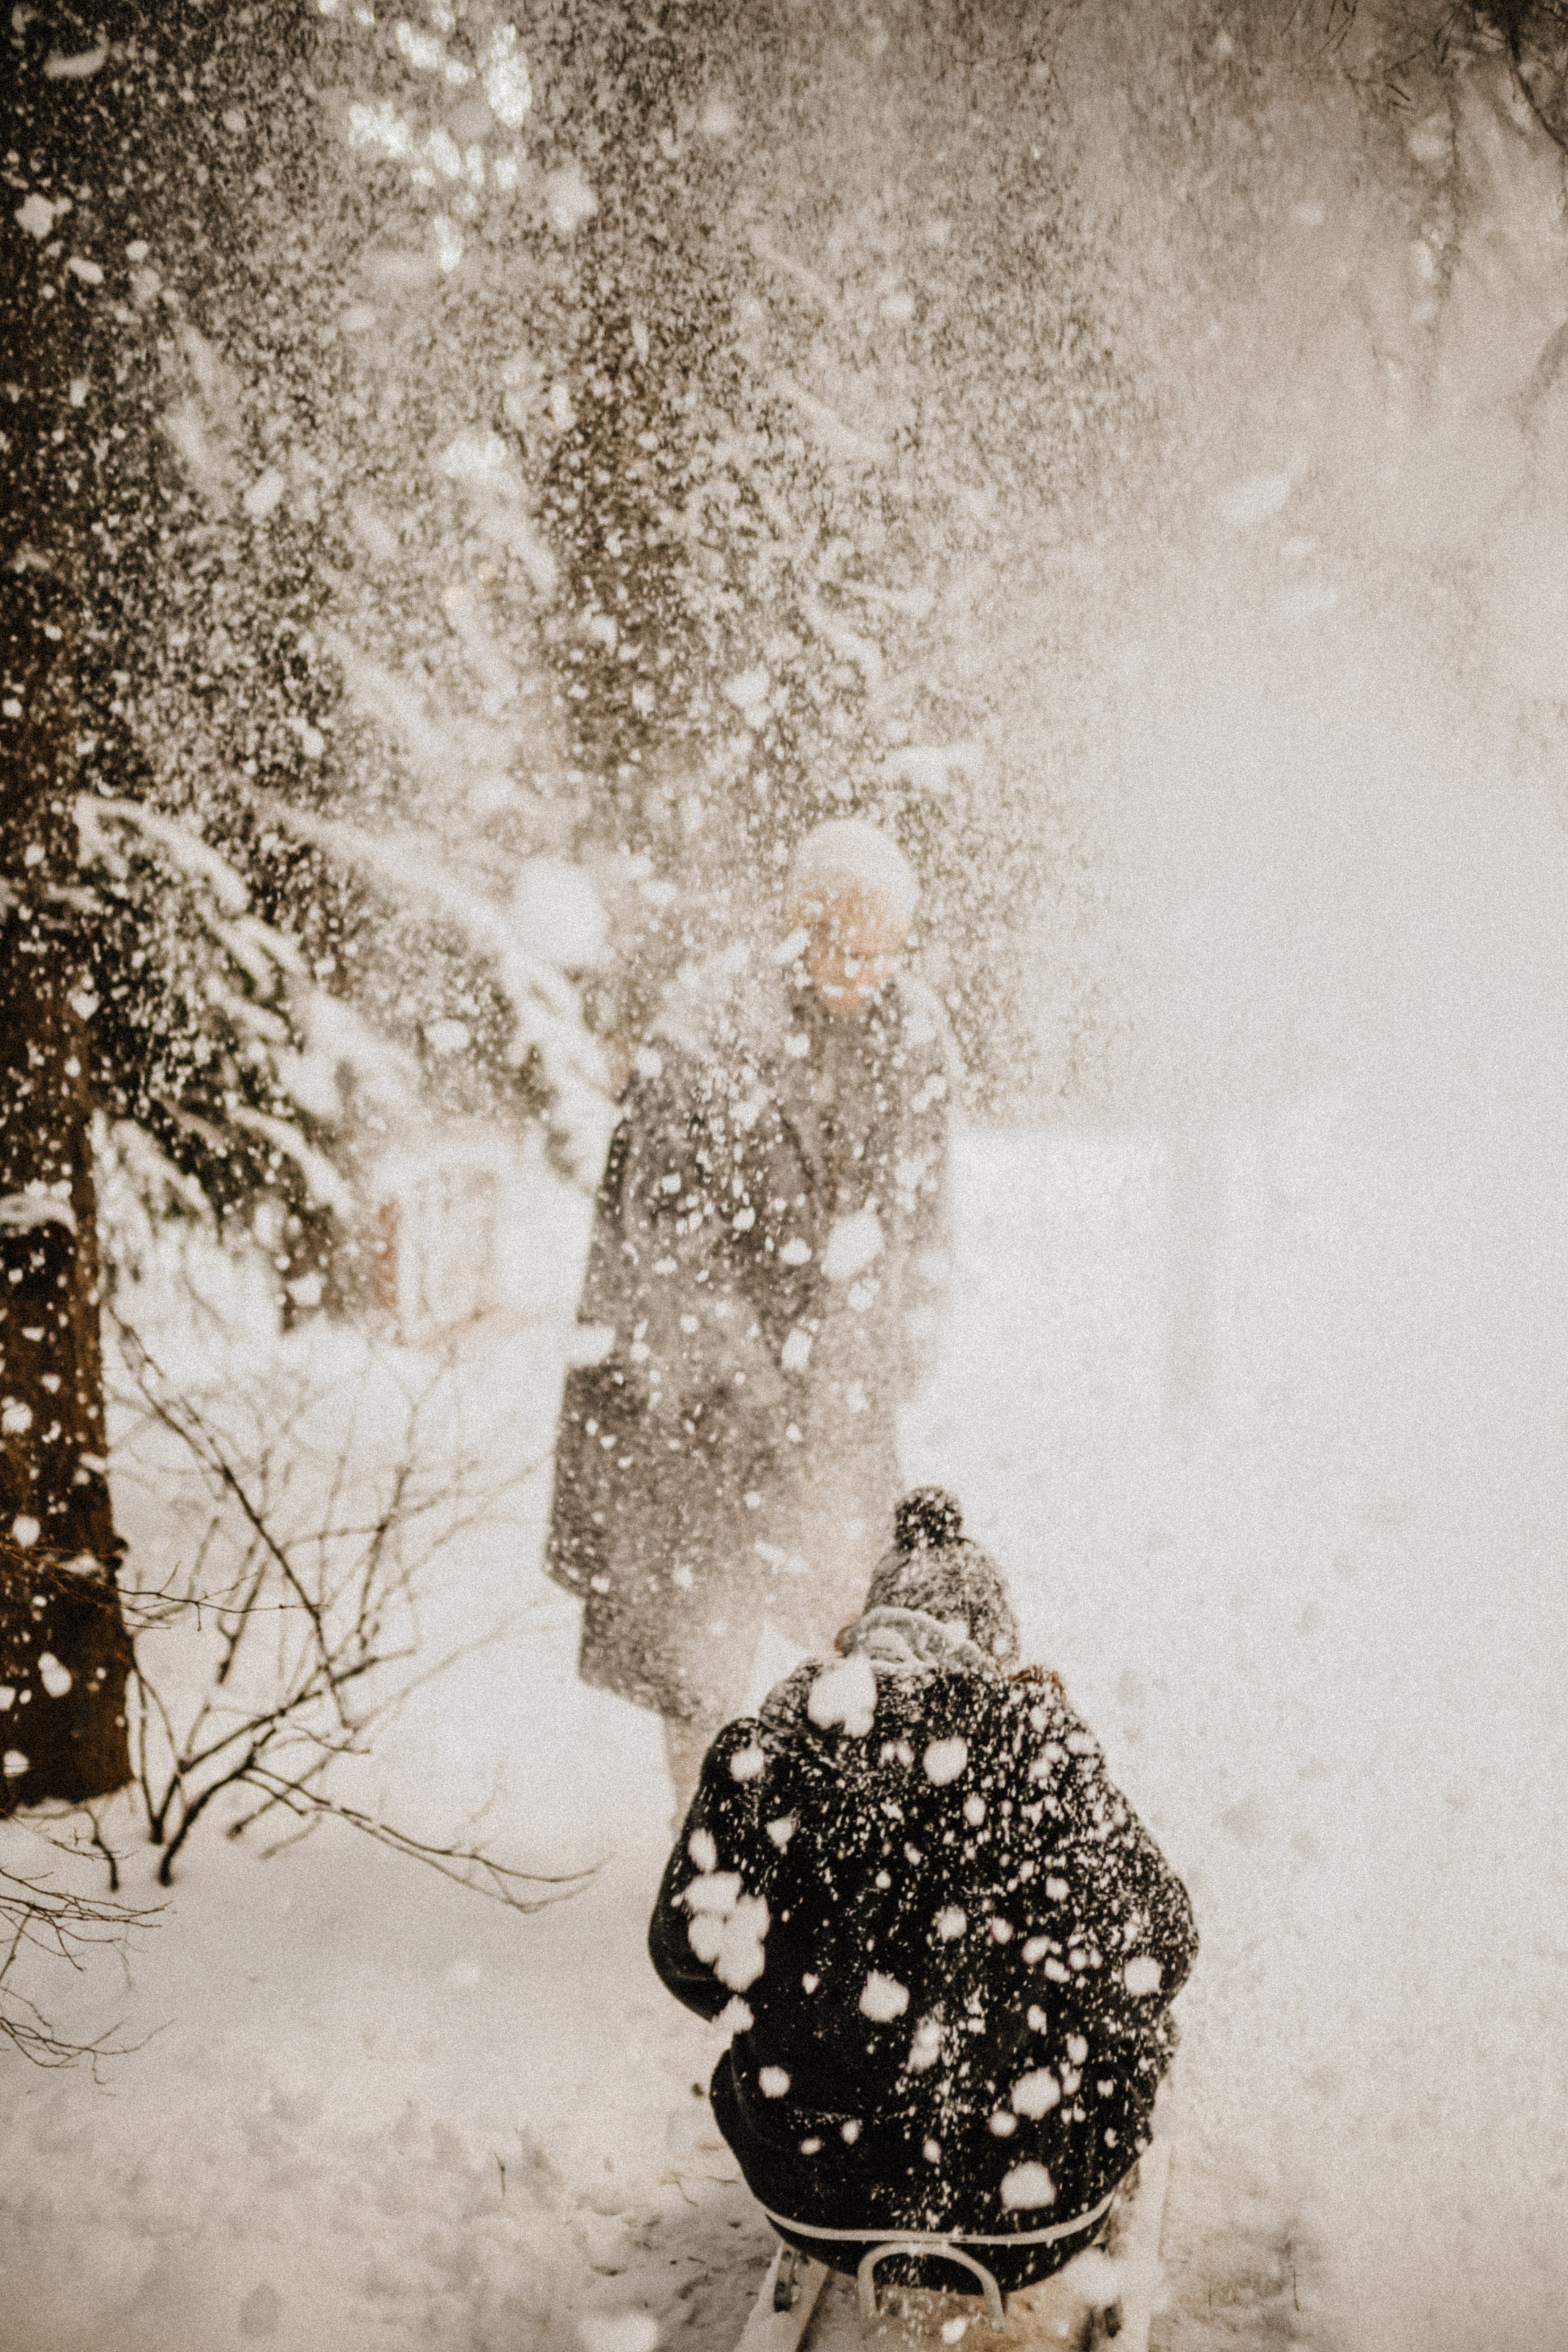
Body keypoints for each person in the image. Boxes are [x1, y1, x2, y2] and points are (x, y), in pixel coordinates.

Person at [647, 1490, 1197, 2305]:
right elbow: (1164, 1948)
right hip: (1035, 2212)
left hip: (808, 2198)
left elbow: (685, 1960)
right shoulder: (1041, 1750)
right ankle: (1021, 2144)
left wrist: (811, 2021)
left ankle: (841, 2133)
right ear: (995, 1642)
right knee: (1144, 2009)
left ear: (867, 1630)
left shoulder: (760, 1755)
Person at [545, 821, 954, 1807]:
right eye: (836, 945)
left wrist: (882, 1363)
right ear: (794, 926)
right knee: (701, 1647)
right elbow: (669, 1253)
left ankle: (825, 1857)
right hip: (687, 1403)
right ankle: (706, 1859)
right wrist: (748, 1391)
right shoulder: (707, 1034)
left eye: (878, 952)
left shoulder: (913, 1034)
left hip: (834, 1400)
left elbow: (919, 1228)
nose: (857, 971)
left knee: (851, 1633)